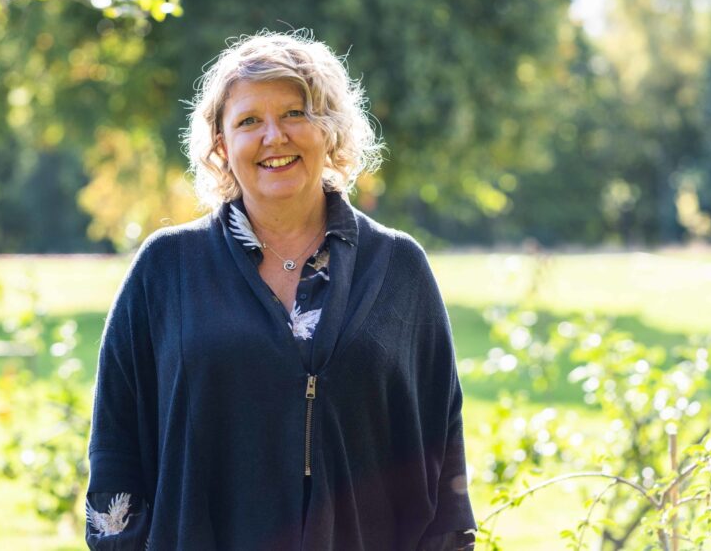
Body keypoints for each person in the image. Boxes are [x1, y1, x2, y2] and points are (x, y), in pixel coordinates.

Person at [84, 30, 477, 550]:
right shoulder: (167, 269)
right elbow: (115, 449)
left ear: (330, 130)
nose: (274, 137)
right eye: (249, 121)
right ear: (222, 145)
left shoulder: (399, 267)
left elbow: (441, 449)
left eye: (295, 113)